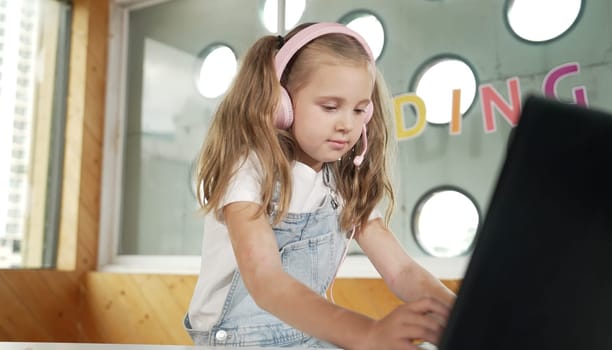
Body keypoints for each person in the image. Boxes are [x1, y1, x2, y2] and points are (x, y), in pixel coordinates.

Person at [185, 22, 456, 349]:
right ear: (280, 103)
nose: (347, 125)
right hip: (238, 340)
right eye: (330, 107)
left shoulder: (341, 182)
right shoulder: (249, 170)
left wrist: (463, 316)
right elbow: (266, 282)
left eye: (360, 110)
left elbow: (402, 272)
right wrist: (369, 334)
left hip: (306, 335)